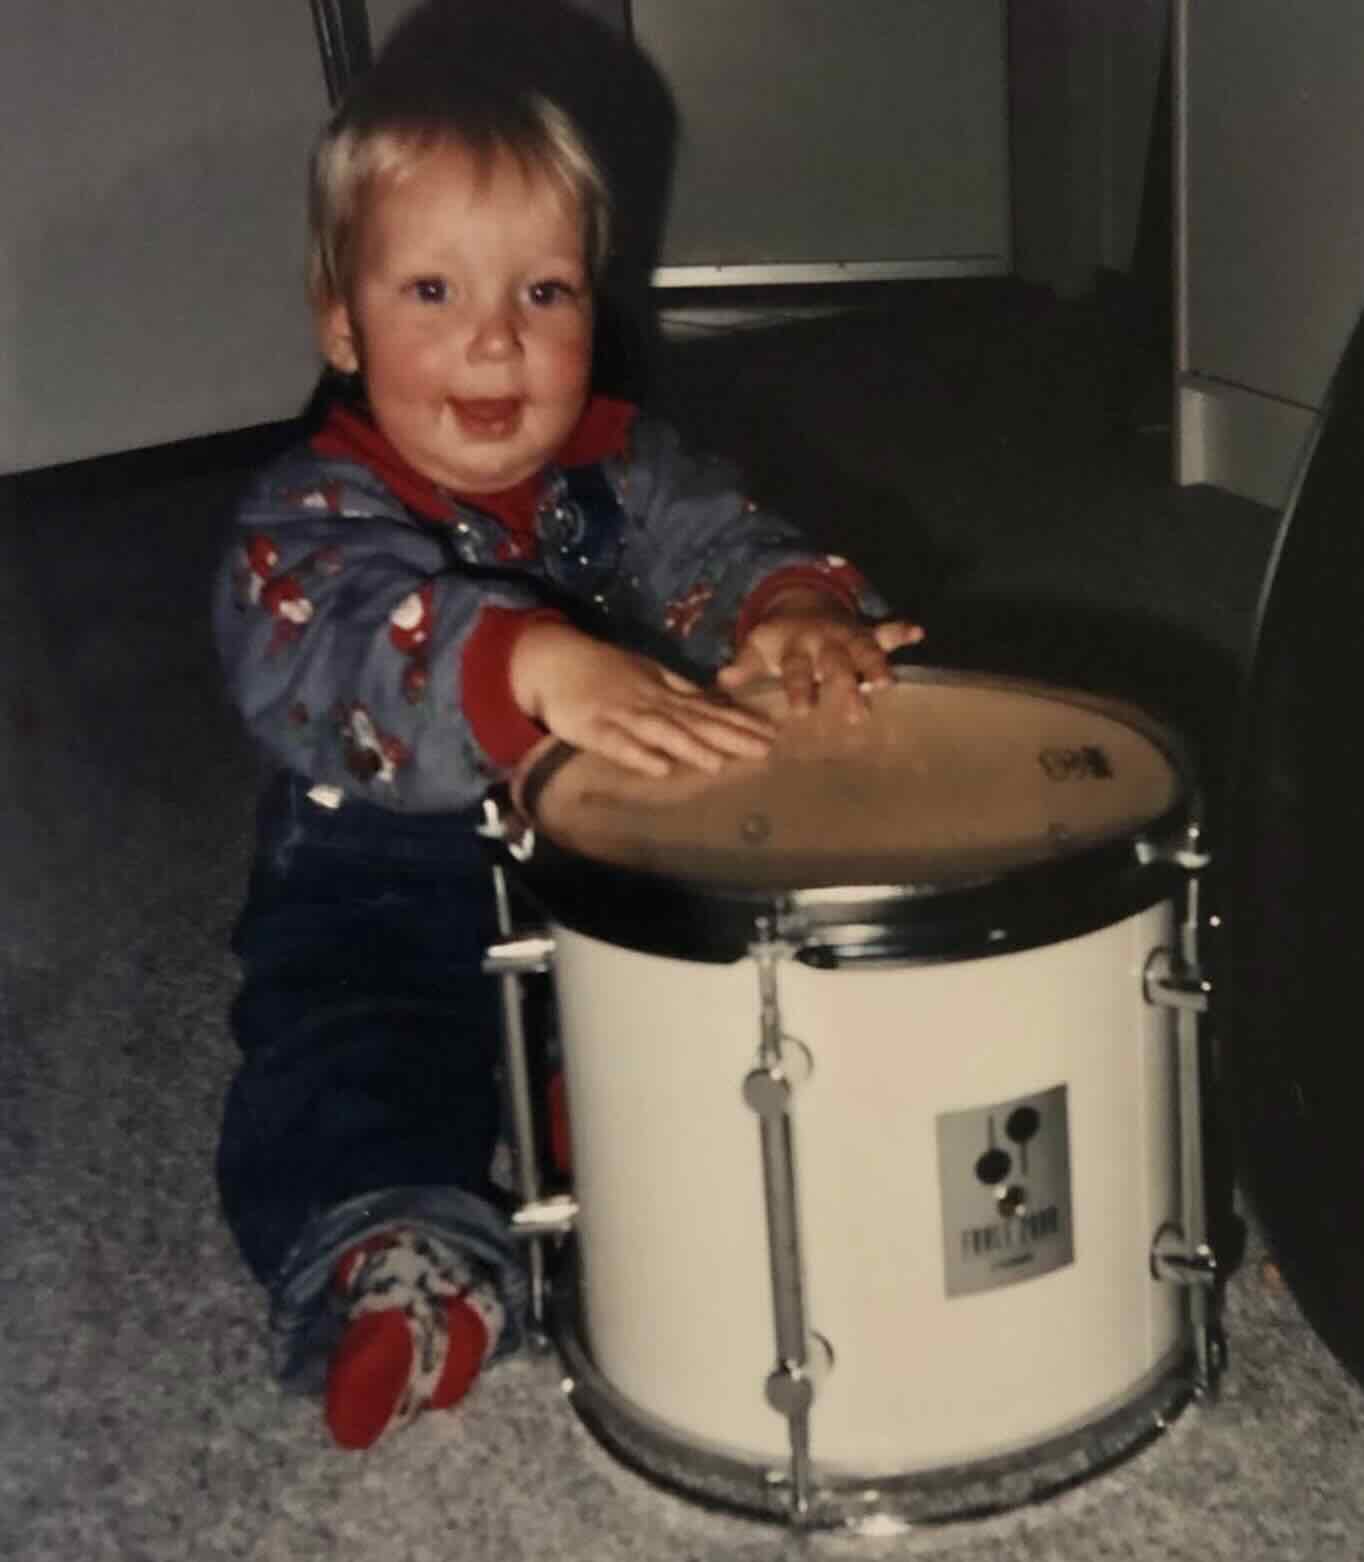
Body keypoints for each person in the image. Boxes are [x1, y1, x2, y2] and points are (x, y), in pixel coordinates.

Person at [212, 0, 922, 1451]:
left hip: (600, 893)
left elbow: (724, 542)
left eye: (542, 292)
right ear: (339, 319)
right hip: (376, 900)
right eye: (430, 293)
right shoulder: (306, 514)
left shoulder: (623, 464)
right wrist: (530, 657)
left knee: (678, 1057)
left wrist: (788, 608)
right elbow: (327, 641)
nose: (494, 339)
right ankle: (395, 1262)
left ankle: (650, 1220)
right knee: (341, 1067)